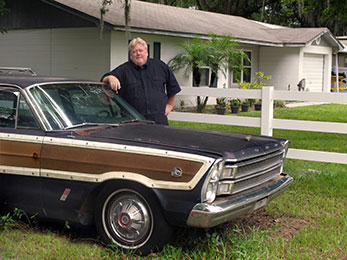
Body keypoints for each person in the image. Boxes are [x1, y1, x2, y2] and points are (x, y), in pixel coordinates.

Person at [101, 37, 181, 125]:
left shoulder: (160, 66)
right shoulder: (124, 70)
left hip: (159, 120)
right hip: (133, 121)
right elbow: (104, 79)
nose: (138, 53)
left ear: (146, 52)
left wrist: (169, 105)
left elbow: (173, 87)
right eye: (134, 52)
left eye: (140, 50)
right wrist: (110, 78)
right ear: (131, 55)